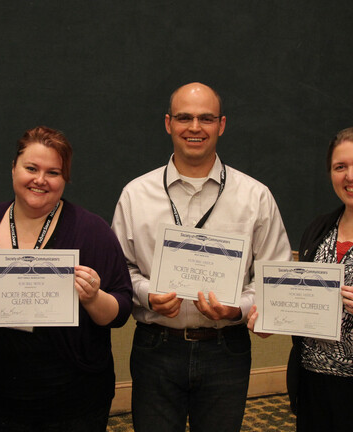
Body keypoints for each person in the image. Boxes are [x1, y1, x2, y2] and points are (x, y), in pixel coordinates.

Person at [112, 82, 292, 432]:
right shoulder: (135, 195)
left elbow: (275, 275)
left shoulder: (255, 196)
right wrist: (147, 294)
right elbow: (121, 270)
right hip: (156, 347)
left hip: (226, 349)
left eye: (206, 118)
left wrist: (237, 308)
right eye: (184, 118)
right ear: (168, 123)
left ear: (221, 125)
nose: (194, 127)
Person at [0, 125, 133, 432]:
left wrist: (93, 297)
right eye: (31, 168)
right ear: (13, 168)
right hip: (1, 392)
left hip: (76, 395)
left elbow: (121, 310)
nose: (40, 180)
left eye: (53, 172)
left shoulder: (92, 231)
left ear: (65, 178)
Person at [249, 127, 353, 431]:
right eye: (340, 167)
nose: (349, 176)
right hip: (313, 382)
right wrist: (271, 319)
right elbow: (300, 300)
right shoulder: (319, 229)